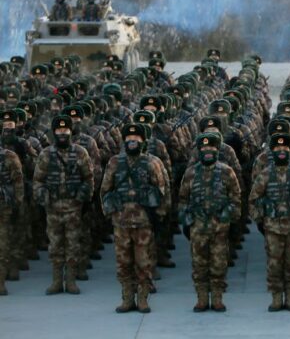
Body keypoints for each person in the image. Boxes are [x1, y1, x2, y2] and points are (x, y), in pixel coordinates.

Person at [100, 123, 168, 313]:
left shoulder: (152, 162)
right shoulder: (114, 162)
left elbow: (162, 190)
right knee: (123, 262)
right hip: (121, 222)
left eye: (136, 139)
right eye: (129, 139)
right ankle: (127, 298)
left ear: (143, 141)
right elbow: (105, 190)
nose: (132, 142)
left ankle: (143, 298)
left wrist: (159, 217)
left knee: (143, 262)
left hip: (143, 222)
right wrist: (110, 213)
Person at [249, 133, 290, 312]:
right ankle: (276, 298)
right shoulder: (265, 174)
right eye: (277, 148)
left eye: (285, 148)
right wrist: (260, 221)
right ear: (272, 150)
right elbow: (253, 199)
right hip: (272, 228)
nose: (281, 151)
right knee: (274, 264)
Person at [179, 133, 241, 312]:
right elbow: (182, 198)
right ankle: (202, 298)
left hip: (219, 228)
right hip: (197, 227)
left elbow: (236, 197)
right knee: (199, 265)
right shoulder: (191, 173)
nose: (208, 151)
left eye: (212, 148)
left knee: (219, 264)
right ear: (199, 151)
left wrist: (228, 215)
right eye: (204, 148)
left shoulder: (226, 171)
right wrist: (186, 218)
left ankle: (217, 298)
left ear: (217, 150)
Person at [33, 115, 94, 296]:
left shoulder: (81, 152)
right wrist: (44, 198)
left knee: (73, 244)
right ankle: (57, 281)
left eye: (65, 130)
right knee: (55, 245)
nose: (62, 133)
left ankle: (71, 281)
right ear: (54, 132)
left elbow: (89, 179)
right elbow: (38, 180)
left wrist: (82, 197)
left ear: (70, 131)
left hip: (73, 207)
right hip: (52, 208)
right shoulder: (45, 154)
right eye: (59, 130)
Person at [0, 123, 25, 296]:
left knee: (3, 244)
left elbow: (18, 183)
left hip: (4, 206)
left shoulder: (9, 157)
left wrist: (17, 204)